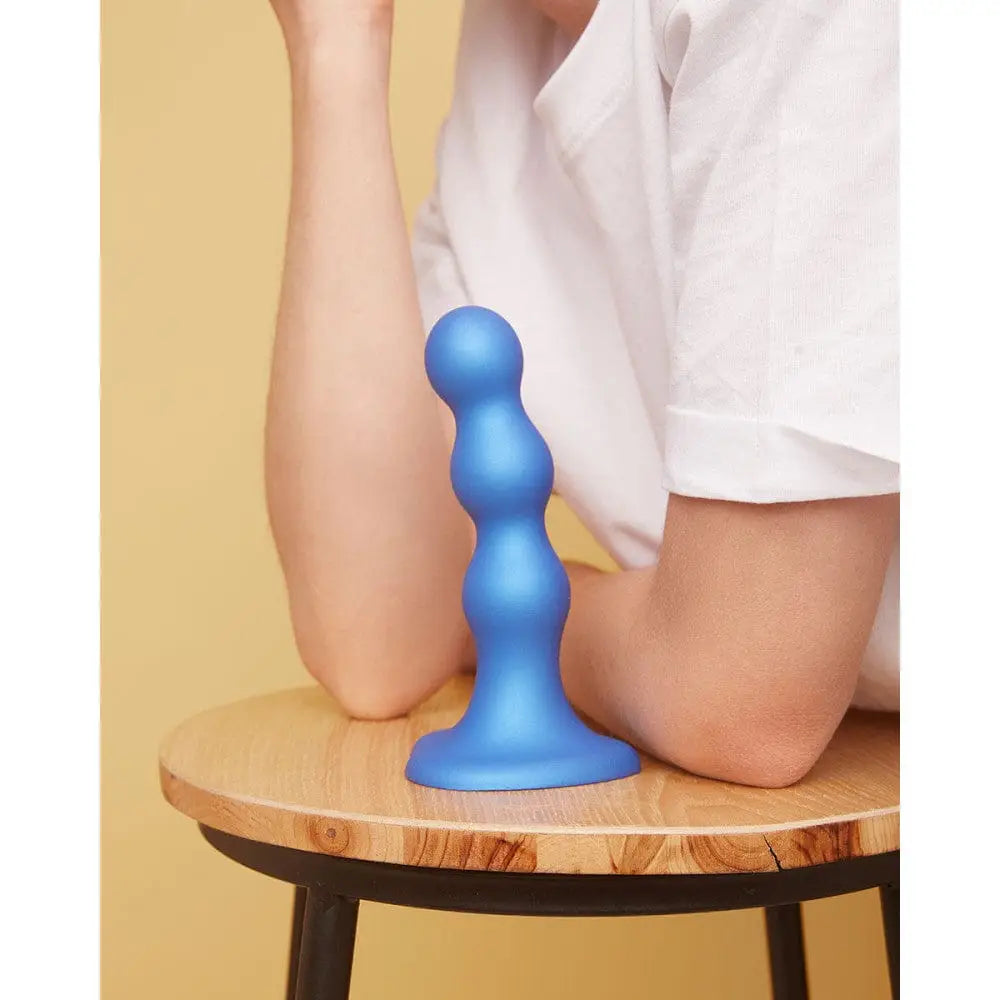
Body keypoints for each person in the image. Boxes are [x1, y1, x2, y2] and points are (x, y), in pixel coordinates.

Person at [263, 0, 899, 788]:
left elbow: (741, 700)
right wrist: (337, 41)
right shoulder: (515, 45)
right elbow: (379, 640)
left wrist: (529, 618)